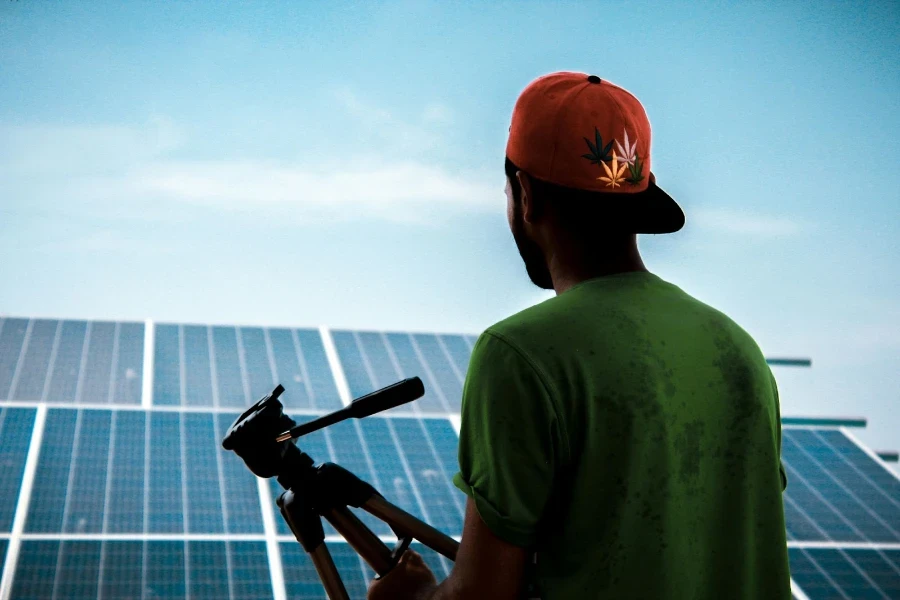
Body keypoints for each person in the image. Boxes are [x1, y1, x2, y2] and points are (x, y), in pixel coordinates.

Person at [367, 71, 790, 600]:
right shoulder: (738, 349)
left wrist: (410, 597)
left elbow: (482, 595)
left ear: (525, 194)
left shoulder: (520, 354)